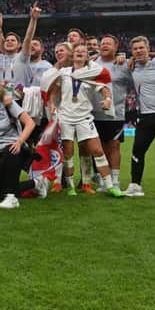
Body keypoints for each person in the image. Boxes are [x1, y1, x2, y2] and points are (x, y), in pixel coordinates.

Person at [45, 45, 124, 198]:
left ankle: (110, 187)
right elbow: (55, 90)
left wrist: (107, 99)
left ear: (87, 57)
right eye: (77, 52)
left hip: (84, 117)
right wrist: (53, 103)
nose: (80, 53)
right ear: (72, 56)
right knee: (68, 153)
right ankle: (71, 187)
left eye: (83, 52)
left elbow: (104, 88)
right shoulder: (64, 73)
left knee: (97, 151)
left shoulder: (92, 73)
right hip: (66, 118)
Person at [0, 78, 48, 208]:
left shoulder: (7, 104)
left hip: (14, 149)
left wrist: (19, 142)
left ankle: (12, 198)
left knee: (8, 190)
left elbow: (30, 123)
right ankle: (37, 183)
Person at [123, 36, 155, 197]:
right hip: (145, 116)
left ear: (148, 48)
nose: (138, 51)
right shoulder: (131, 66)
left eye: (141, 48)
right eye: (135, 49)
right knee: (137, 150)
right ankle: (135, 185)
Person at [91, 35, 134, 191]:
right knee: (99, 149)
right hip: (95, 113)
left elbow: (133, 84)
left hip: (115, 114)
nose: (104, 46)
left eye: (108, 43)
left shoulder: (123, 65)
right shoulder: (93, 63)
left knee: (114, 147)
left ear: (116, 47)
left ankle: (115, 180)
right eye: (102, 43)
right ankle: (105, 179)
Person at [0, 2, 41, 92]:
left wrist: (33, 19)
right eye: (7, 40)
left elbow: (27, 39)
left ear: (19, 45)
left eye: (13, 40)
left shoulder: (22, 57)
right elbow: (1, 46)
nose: (9, 42)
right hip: (1, 97)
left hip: (19, 98)